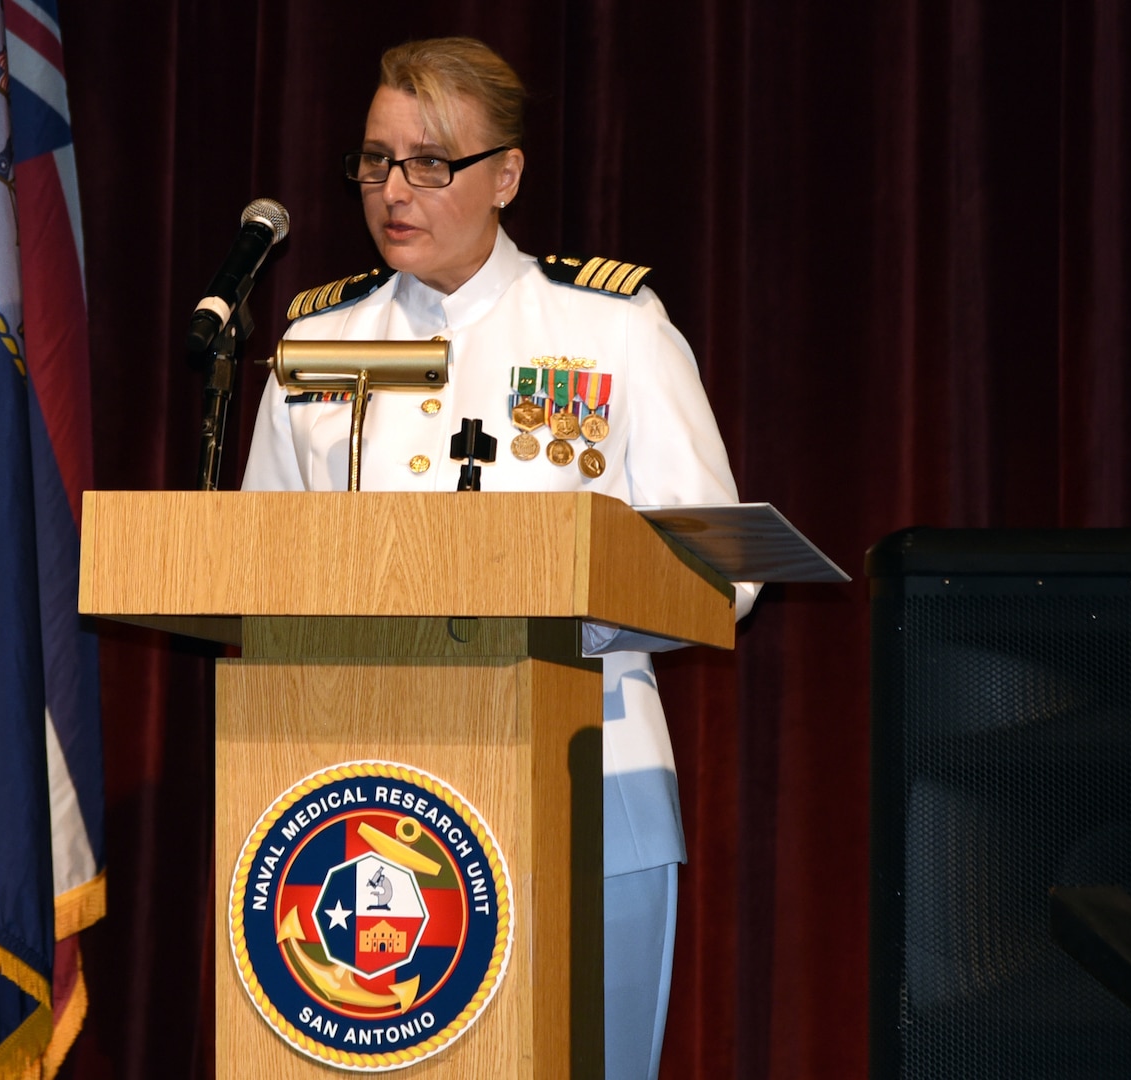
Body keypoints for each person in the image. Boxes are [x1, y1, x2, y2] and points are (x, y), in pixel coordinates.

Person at [242, 36, 758, 1079]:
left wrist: (561, 608)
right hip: (357, 796)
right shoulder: (318, 343)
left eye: (432, 163)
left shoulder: (611, 328)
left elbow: (723, 564)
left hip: (589, 772)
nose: (395, 189)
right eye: (377, 160)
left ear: (506, 175)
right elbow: (257, 563)